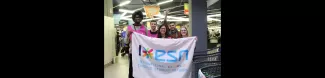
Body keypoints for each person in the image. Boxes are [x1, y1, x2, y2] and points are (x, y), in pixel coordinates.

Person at [124, 11, 148, 78]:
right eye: (136, 17)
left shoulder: (144, 28)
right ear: (133, 18)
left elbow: (148, 40)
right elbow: (126, 42)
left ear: (141, 18)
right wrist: (128, 35)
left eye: (139, 17)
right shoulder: (129, 28)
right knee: (132, 69)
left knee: (142, 68)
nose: (138, 18)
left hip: (142, 53)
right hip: (133, 52)